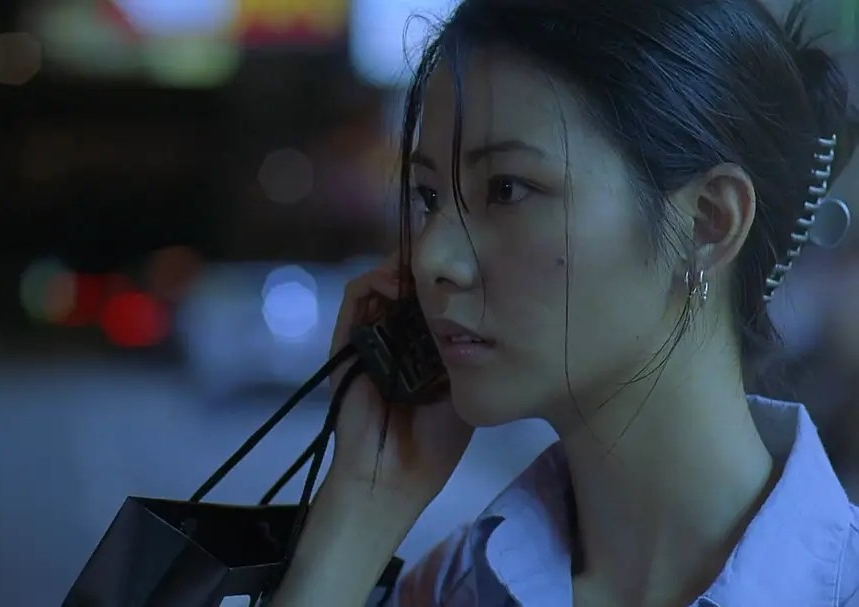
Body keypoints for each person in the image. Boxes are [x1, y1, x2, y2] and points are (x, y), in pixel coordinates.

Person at [269, 0, 859, 605]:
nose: (430, 259)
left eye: (506, 189)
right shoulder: (456, 587)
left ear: (709, 221)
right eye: (429, 197)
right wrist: (365, 506)